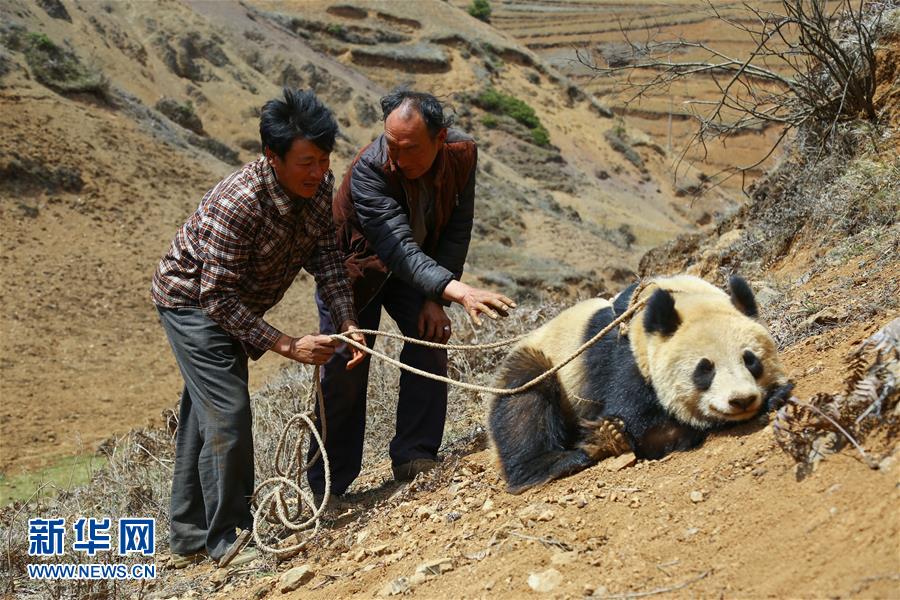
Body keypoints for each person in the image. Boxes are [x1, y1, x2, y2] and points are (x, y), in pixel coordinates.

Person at [151, 88, 365, 568]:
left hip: (235, 304)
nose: (319, 172)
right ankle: (229, 538)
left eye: (325, 160)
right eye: (307, 161)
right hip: (192, 304)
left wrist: (348, 321)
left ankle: (187, 536)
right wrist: (287, 344)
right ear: (273, 157)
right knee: (228, 411)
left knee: (206, 412)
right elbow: (215, 297)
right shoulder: (240, 203)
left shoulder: (316, 190)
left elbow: (327, 258)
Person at [307, 89, 515, 503]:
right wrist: (456, 289)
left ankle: (414, 456)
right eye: (392, 145)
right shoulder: (369, 170)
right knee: (345, 367)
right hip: (354, 271)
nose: (398, 158)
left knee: (430, 337)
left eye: (410, 148)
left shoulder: (462, 154)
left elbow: (457, 228)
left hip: (418, 270)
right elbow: (395, 244)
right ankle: (327, 489)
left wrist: (437, 298)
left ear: (440, 138)